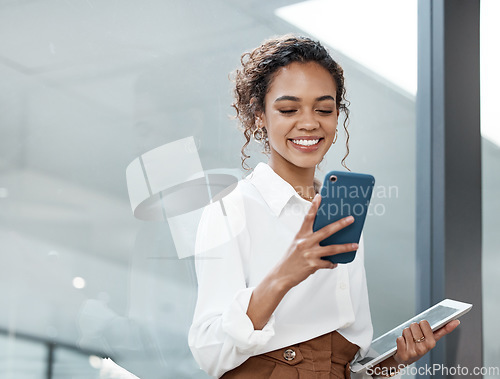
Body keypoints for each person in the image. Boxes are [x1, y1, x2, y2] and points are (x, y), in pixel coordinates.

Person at [188, 35, 459, 379]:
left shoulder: (344, 212)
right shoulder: (231, 209)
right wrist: (286, 272)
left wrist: (395, 361)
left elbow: (354, 367)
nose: (309, 122)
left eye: (324, 109)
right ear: (259, 115)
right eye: (288, 109)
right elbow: (209, 350)